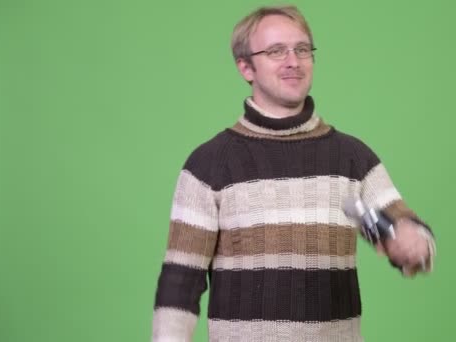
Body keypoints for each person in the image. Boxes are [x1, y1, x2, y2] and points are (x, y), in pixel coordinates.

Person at [152, 5, 436, 342]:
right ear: (246, 67)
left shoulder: (351, 158)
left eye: (302, 49)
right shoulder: (209, 164)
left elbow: (407, 227)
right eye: (276, 51)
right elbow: (180, 281)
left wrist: (413, 242)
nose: (293, 61)